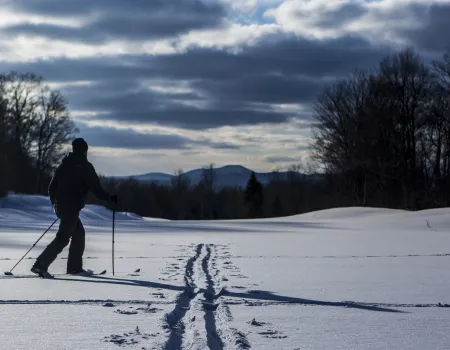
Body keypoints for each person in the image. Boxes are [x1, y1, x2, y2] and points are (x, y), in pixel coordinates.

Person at [31, 138, 118, 277]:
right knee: (63, 238)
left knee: (78, 235)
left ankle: (74, 268)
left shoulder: (64, 164)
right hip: (71, 208)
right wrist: (110, 198)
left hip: (62, 206)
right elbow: (96, 189)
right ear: (85, 150)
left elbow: (52, 187)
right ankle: (40, 264)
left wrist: (56, 203)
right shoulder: (85, 167)